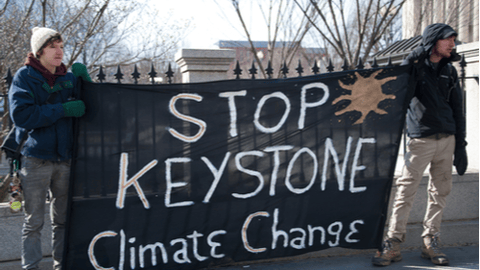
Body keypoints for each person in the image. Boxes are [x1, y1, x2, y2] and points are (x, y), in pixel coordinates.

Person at [372, 23, 467, 267]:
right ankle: (393, 243)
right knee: (405, 192)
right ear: (435, 41)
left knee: (440, 193)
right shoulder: (415, 68)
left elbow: (458, 109)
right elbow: (400, 93)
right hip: (420, 140)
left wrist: (461, 145)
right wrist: (411, 62)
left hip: (447, 139)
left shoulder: (450, 70)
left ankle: (430, 243)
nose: (453, 45)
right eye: (449, 40)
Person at [8, 27, 86, 270]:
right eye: (53, 46)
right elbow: (22, 115)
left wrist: (88, 82)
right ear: (39, 51)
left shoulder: (69, 79)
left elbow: (93, 106)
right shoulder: (24, 77)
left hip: (65, 160)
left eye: (61, 46)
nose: (59, 51)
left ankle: (61, 266)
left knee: (62, 221)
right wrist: (62, 110)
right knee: (33, 223)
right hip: (35, 160)